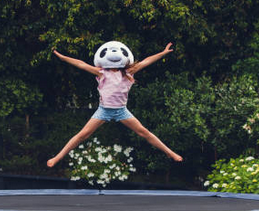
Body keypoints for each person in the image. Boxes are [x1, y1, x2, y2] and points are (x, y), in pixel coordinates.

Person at [47, 41, 183, 168]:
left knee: (144, 132)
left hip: (121, 111)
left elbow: (147, 61)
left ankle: (170, 153)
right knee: (82, 135)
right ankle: (57, 158)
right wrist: (63, 57)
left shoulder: (129, 72)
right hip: (103, 110)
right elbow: (80, 64)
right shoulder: (101, 72)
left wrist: (163, 52)